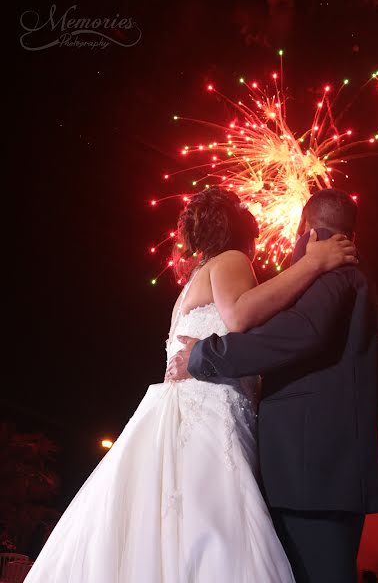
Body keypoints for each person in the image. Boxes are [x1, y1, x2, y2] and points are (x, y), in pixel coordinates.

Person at [25, 187, 357, 583]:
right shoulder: (232, 260)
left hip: (173, 413)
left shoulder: (191, 284)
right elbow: (239, 317)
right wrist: (312, 265)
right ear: (243, 234)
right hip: (210, 416)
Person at [167, 188, 378, 583]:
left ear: (308, 231)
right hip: (302, 473)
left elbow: (301, 332)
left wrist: (205, 356)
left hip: (316, 474)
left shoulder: (337, 271)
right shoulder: (331, 272)